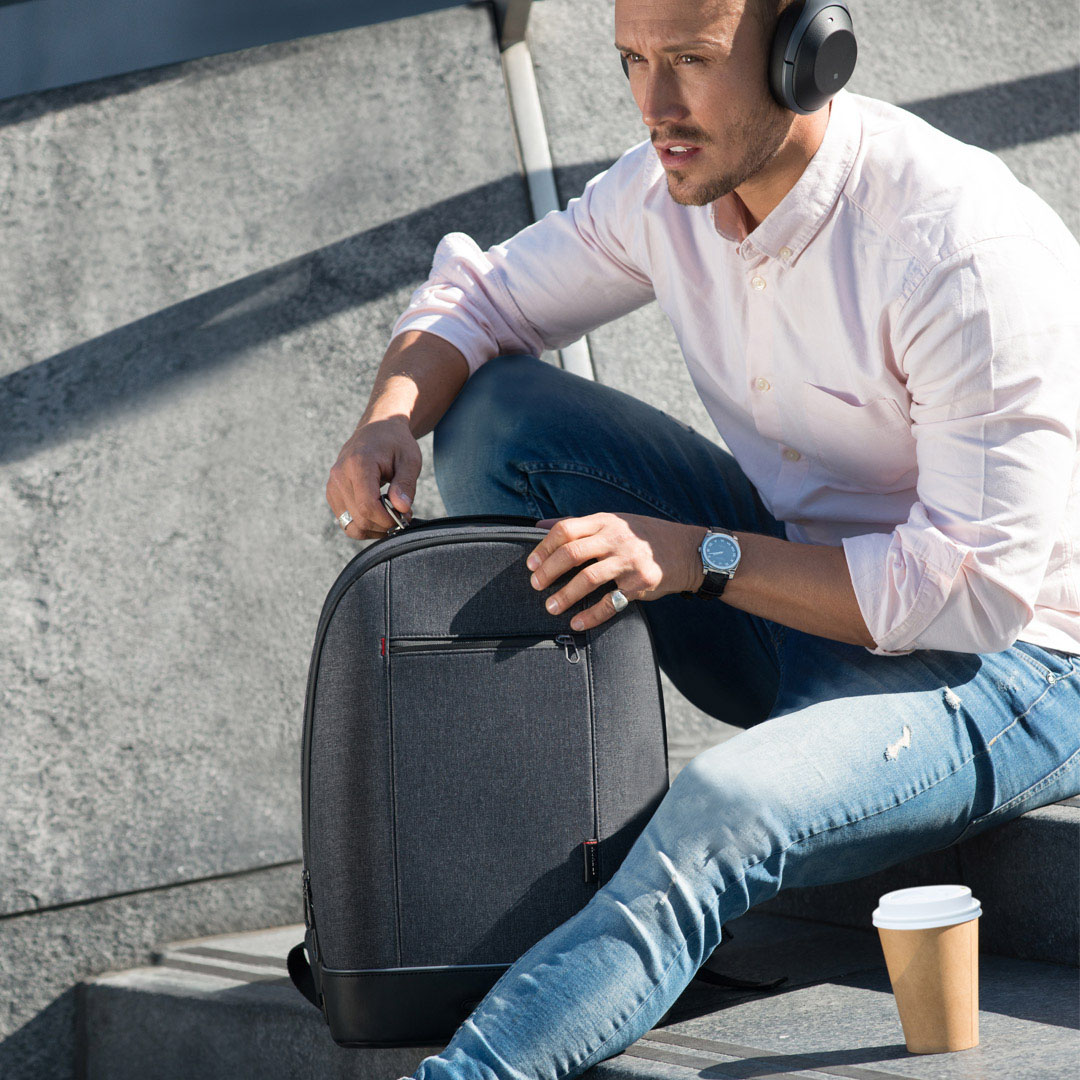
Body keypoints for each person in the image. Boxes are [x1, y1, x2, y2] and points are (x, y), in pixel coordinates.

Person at [325, 0, 1080, 1075]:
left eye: (690, 59)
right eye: (634, 60)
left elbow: (971, 591)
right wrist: (389, 417)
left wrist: (699, 557)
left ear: (807, 54)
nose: (655, 103)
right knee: (492, 412)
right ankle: (550, 870)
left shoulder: (958, 250)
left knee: (723, 806)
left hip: (1019, 664)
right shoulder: (668, 186)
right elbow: (481, 299)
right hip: (794, 609)